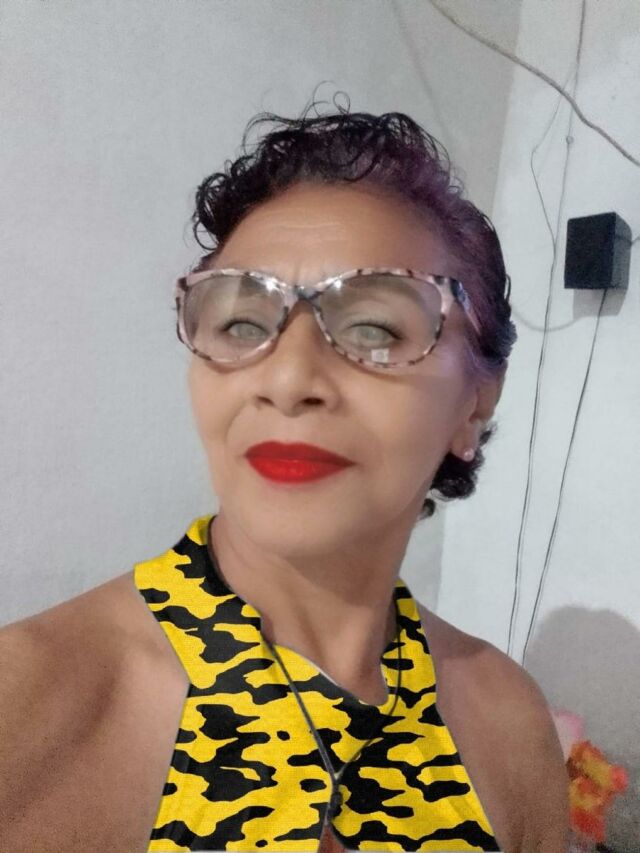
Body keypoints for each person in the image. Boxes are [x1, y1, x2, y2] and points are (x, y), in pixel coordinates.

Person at [0, 103, 569, 853]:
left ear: (475, 404)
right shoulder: (26, 713)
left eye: (375, 327)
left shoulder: (507, 721)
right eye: (241, 323)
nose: (289, 378)